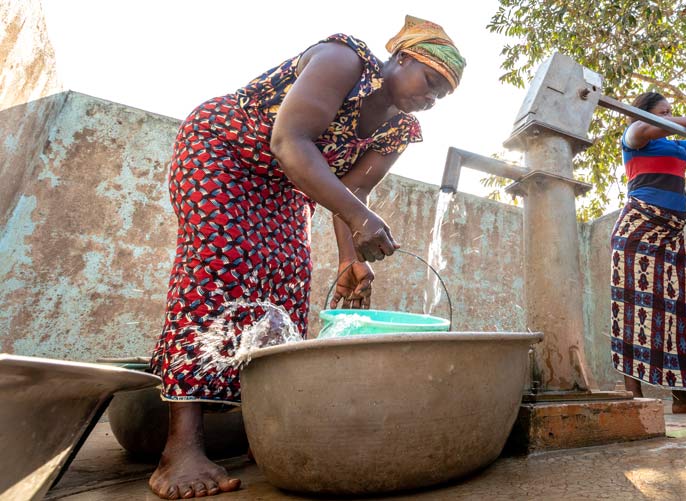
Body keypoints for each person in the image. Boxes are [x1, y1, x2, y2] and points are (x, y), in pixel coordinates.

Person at [148, 15, 465, 499]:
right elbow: (289, 140)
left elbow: (351, 190)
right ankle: (180, 447)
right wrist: (361, 219)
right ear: (401, 58)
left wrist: (347, 260)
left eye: (441, 94)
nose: (429, 97)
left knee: (288, 282)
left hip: (286, 182)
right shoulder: (344, 60)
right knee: (217, 263)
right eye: (428, 80)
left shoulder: (399, 130)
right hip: (223, 151)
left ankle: (263, 428)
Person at [610, 91, 686, 414]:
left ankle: (683, 399)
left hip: (672, 236)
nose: (670, 116)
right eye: (664, 112)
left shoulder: (677, 146)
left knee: (682, 310)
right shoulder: (634, 136)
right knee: (634, 310)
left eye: (671, 112)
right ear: (647, 114)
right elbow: (648, 128)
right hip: (639, 232)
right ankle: (634, 401)